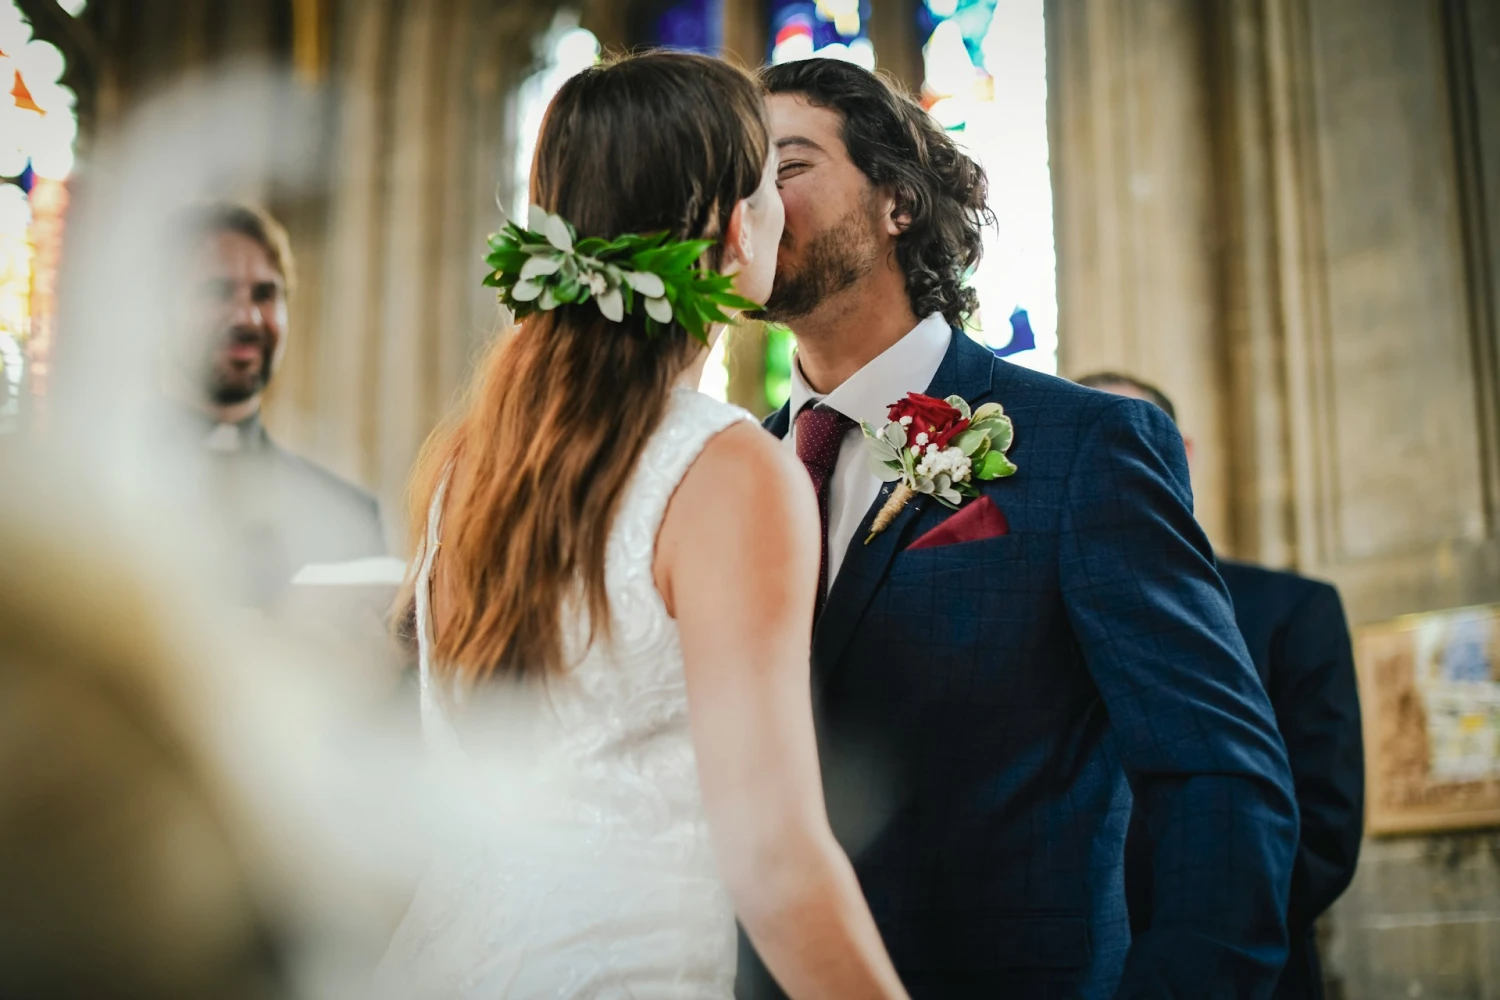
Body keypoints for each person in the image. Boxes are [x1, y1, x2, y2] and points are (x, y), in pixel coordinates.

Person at [739, 58, 1298, 999]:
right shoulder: (733, 475)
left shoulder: (1084, 445)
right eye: (737, 179)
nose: (750, 204)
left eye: (786, 167)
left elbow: (1219, 776)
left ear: (898, 204)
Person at [376, 52, 908, 999]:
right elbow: (773, 858)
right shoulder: (727, 467)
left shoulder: (473, 458)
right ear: (741, 228)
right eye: (768, 180)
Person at [1077, 371, 1365, 1000]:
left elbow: (1324, 827)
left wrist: (1193, 955)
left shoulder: (1292, 611)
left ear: (1181, 454)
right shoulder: (1037, 615)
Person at [161, 202, 385, 608]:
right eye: (218, 292)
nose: (247, 317)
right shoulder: (95, 492)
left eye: (265, 295)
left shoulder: (349, 518)